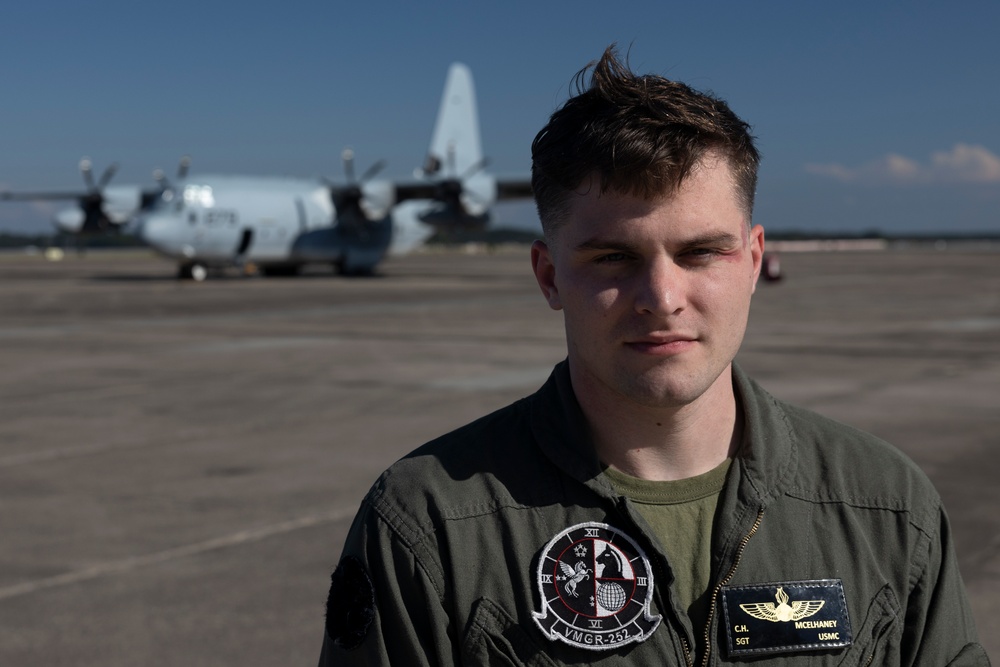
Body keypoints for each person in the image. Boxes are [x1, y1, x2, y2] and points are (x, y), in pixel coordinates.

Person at [319, 47, 988, 666]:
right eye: (613, 257)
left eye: (701, 252)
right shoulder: (428, 526)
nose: (662, 297)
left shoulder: (888, 507)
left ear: (754, 261)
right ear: (549, 275)